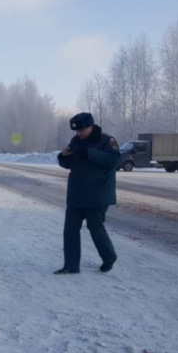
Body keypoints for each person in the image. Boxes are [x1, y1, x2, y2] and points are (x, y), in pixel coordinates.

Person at [54, 112, 120, 274]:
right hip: (76, 194)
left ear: (90, 127)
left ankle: (109, 257)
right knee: (70, 230)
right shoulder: (76, 142)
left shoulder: (107, 141)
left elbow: (113, 160)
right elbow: (68, 164)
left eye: (82, 130)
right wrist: (63, 156)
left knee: (95, 228)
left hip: (97, 195)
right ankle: (71, 265)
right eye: (77, 131)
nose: (79, 133)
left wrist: (89, 153)